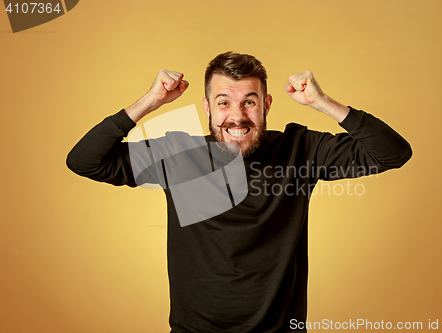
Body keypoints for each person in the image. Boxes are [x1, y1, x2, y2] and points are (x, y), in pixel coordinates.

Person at [67, 51, 412, 332]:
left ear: (267, 105)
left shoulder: (299, 149)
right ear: (206, 108)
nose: (237, 116)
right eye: (223, 103)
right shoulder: (180, 156)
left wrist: (322, 102)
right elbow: (85, 161)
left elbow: (393, 153)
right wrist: (150, 101)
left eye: (249, 102)